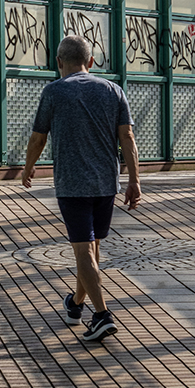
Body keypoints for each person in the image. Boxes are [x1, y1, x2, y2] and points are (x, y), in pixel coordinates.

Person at [21, 35, 141, 343]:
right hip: (106, 184)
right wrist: (134, 180)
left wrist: (28, 166)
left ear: (59, 62)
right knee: (91, 248)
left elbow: (38, 138)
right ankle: (76, 303)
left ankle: (102, 315)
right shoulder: (113, 90)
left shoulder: (54, 91)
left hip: (72, 184)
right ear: (90, 61)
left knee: (84, 250)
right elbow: (127, 137)